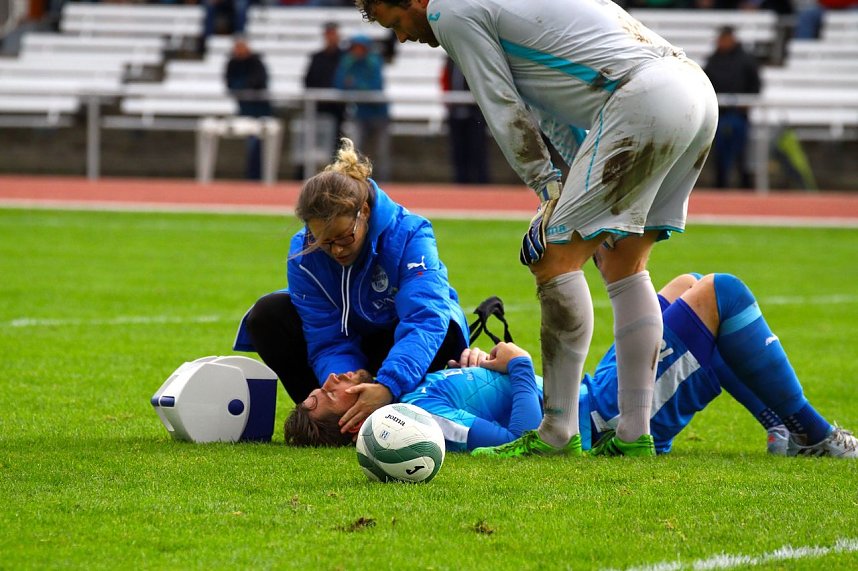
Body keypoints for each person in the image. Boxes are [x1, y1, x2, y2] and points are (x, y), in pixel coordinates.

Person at [355, 0, 719, 458]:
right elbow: (549, 109)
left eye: (397, 23)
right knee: (625, 262)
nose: (404, 37)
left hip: (644, 95)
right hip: (695, 92)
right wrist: (560, 188)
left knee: (552, 257)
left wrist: (546, 189)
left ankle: (556, 432)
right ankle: (634, 435)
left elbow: (502, 105)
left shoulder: (449, 11)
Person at [284, 273, 858, 459]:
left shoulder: (412, 394)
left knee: (683, 286)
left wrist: (482, 365)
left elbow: (490, 396)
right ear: (353, 424)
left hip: (590, 390)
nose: (331, 379)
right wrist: (517, 364)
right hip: (603, 421)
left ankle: (782, 423)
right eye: (324, 397)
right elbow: (523, 439)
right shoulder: (420, 423)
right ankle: (813, 431)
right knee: (721, 296)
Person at [233, 138, 470, 432]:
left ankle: (399, 408)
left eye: (344, 238)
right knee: (268, 315)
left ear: (365, 213)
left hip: (403, 344)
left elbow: (424, 318)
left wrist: (387, 385)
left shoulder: (411, 233)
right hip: (353, 348)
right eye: (325, 242)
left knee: (443, 329)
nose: (337, 251)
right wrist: (346, 388)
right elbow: (326, 337)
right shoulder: (304, 253)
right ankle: (338, 422)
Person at [703, 27, 762, 190]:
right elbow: (706, 83)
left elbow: (755, 84)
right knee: (721, 153)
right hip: (720, 114)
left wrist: (747, 102)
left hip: (739, 114)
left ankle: (745, 185)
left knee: (741, 152)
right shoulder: (713, 59)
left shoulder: (746, 59)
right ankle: (720, 185)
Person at [334, 34, 391, 181]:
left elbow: (375, 87)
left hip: (379, 114)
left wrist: (353, 84)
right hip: (360, 114)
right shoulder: (348, 61)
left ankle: (384, 183)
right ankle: (357, 181)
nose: (357, 51)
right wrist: (357, 86)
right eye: (355, 47)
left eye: (360, 47)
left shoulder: (373, 61)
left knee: (381, 152)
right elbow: (339, 84)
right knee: (357, 150)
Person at [225, 36, 273, 181]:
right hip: (245, 110)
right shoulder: (233, 63)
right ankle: (253, 175)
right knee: (251, 142)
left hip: (260, 110)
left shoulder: (256, 62)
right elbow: (230, 84)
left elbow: (259, 82)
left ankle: (256, 175)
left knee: (258, 143)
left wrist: (243, 86)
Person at [303, 22, 347, 171]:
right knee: (313, 143)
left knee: (337, 146)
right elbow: (308, 81)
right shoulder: (317, 57)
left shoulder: (345, 57)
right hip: (318, 109)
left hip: (339, 110)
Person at [441, 57, 489, 185]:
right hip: (455, 114)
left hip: (474, 114)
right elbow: (444, 80)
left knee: (477, 151)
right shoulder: (450, 60)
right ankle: (461, 184)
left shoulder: (472, 58)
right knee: (458, 152)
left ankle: (481, 183)